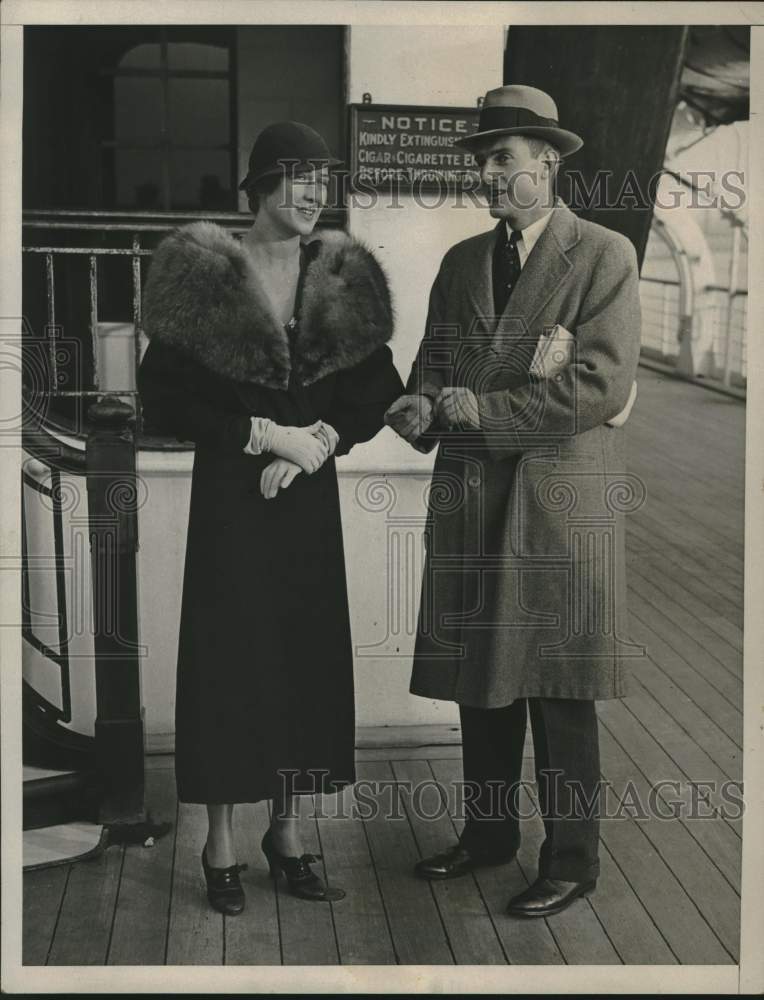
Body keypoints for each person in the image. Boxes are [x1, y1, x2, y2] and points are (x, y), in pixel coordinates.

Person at [385, 85, 641, 918]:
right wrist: (420, 404)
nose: (488, 174)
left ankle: (571, 860)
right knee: (479, 682)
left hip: (558, 505)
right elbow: (434, 363)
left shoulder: (604, 255)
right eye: (482, 159)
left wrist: (476, 411)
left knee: (558, 687)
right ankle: (488, 836)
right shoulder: (463, 262)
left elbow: (598, 387)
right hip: (473, 495)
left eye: (503, 158)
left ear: (548, 163)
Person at [138, 121, 404, 914]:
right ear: (257, 188)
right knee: (229, 658)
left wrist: (319, 439)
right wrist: (257, 433)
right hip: (231, 497)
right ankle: (219, 842)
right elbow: (166, 393)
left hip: (307, 502)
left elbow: (376, 392)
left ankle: (286, 832)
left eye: (322, 178)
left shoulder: (343, 274)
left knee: (302, 657)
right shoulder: (205, 273)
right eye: (295, 177)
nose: (313, 191)